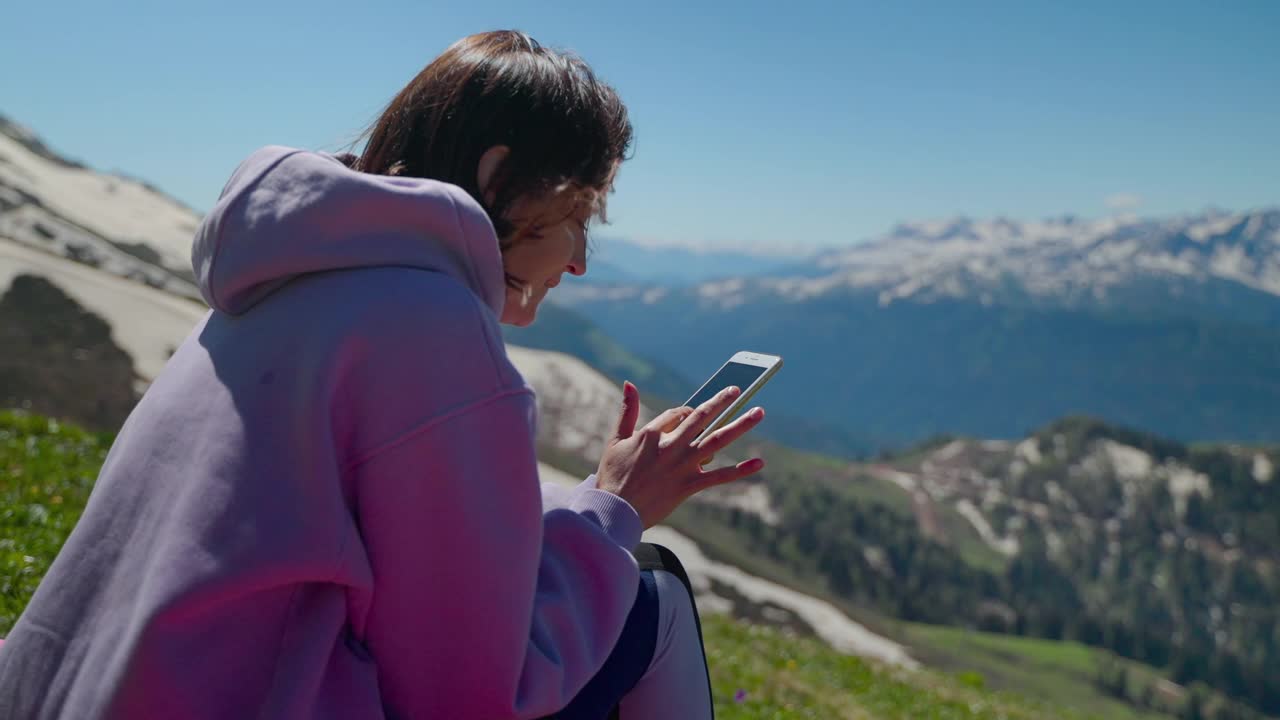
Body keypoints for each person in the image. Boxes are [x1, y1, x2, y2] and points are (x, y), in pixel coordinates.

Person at [0, 29, 766, 719]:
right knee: (652, 596)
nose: (579, 260)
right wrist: (617, 508)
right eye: (578, 213)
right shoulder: (431, 326)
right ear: (498, 180)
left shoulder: (281, 276)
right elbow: (476, 695)